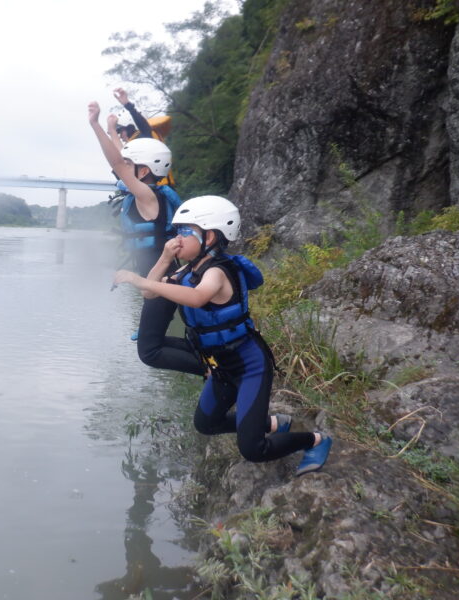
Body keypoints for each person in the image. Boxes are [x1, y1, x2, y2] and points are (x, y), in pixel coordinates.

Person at [112, 195, 333, 475]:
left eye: (185, 231)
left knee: (253, 449)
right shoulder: (187, 269)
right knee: (206, 425)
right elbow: (150, 291)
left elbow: (196, 297)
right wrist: (166, 257)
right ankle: (275, 423)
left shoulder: (217, 272)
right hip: (220, 368)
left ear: (211, 236)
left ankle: (316, 441)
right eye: (177, 231)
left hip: (250, 366)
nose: (178, 238)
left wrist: (139, 277)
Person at [88, 101, 204, 376]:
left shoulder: (148, 198)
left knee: (150, 350)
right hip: (163, 273)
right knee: (152, 342)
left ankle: (214, 369)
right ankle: (211, 360)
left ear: (142, 171)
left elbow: (117, 161)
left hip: (163, 276)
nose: (121, 171)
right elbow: (123, 157)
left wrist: (94, 125)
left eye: (130, 167)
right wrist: (111, 129)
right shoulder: (152, 195)